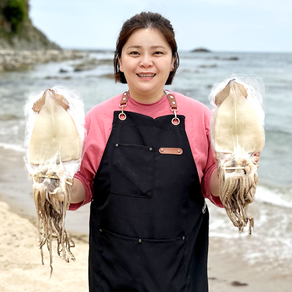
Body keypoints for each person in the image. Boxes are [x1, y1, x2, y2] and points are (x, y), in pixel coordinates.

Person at [69, 11, 258, 292]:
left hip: (181, 272)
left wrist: (237, 169)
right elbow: (83, 184)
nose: (146, 62)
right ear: (120, 60)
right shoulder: (99, 117)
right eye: (134, 52)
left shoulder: (199, 116)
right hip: (112, 271)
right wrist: (53, 184)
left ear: (173, 61)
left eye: (158, 52)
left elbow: (210, 184)